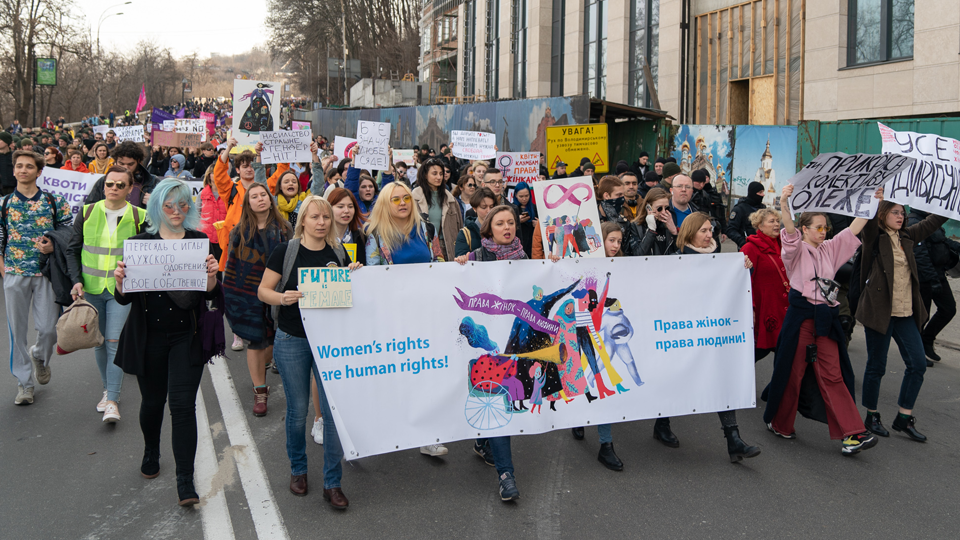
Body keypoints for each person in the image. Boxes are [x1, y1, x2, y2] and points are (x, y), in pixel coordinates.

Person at [112, 178, 221, 506]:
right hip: (148, 337)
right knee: (152, 403)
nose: (176, 211)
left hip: (186, 337)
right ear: (157, 206)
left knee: (183, 407)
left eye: (183, 204)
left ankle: (185, 480)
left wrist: (213, 275)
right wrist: (120, 282)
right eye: (169, 205)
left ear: (190, 207)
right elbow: (122, 300)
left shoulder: (200, 241)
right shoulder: (138, 243)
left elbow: (211, 294)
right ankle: (151, 450)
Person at [258, 195, 362, 509]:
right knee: (298, 410)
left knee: (331, 414)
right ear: (303, 219)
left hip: (330, 343)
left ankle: (332, 482)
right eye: (315, 217)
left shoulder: (339, 251)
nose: (321, 223)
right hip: (292, 339)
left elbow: (348, 296)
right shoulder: (285, 251)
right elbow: (264, 290)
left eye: (326, 218)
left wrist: (354, 276)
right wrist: (282, 298)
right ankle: (298, 470)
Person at [763, 184, 880, 456]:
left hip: (826, 318)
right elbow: (789, 230)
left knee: (834, 374)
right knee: (794, 373)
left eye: (825, 227)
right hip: (801, 316)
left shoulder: (830, 248)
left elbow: (854, 228)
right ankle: (780, 423)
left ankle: (853, 433)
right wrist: (784, 202)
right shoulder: (795, 249)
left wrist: (871, 201)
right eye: (817, 227)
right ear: (805, 229)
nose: (823, 231)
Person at [364, 182, 447, 456]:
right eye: (395, 199)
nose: (402, 203)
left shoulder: (426, 229)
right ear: (386, 204)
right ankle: (391, 429)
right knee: (398, 374)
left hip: (426, 312)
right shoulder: (375, 235)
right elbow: (372, 274)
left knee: (427, 372)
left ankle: (428, 435)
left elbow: (438, 261)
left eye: (406, 199)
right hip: (393, 316)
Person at [454, 205, 530, 500]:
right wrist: (459, 264)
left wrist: (551, 266)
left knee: (500, 402)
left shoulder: (525, 260)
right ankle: (505, 473)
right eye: (500, 223)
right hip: (485, 346)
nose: (507, 227)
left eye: (511, 222)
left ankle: (495, 458)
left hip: (511, 346)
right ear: (488, 229)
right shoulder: (475, 258)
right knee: (495, 404)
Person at [858, 196, 948, 442]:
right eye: (895, 212)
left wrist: (953, 199)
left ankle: (904, 417)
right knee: (877, 366)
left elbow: (935, 220)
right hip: (879, 311)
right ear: (883, 213)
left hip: (906, 313)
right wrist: (874, 201)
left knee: (918, 364)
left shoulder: (908, 236)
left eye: (903, 213)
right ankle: (871, 415)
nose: (901, 216)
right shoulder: (875, 238)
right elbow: (866, 225)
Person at [674, 212, 761, 462]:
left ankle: (733, 439)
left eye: (710, 229)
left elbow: (734, 289)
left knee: (720, 380)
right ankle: (662, 423)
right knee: (675, 379)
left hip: (712, 332)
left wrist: (745, 271)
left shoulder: (721, 259)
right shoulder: (675, 259)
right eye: (702, 230)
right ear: (690, 232)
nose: (708, 234)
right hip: (682, 332)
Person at [65, 166, 145, 422]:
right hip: (91, 289)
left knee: (114, 343)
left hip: (121, 291)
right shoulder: (87, 211)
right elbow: (73, 249)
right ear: (104, 185)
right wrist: (76, 281)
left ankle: (112, 399)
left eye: (121, 185)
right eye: (110, 184)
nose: (114, 188)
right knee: (98, 342)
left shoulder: (140, 216)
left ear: (130, 188)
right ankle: (106, 389)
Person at [1, 150, 72, 405]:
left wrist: (54, 246)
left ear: (39, 172)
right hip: (14, 274)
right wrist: (4, 270)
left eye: (29, 166)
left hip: (47, 274)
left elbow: (69, 233)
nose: (23, 170)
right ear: (13, 170)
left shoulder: (55, 202)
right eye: (19, 166)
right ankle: (24, 384)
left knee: (48, 330)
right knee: (17, 332)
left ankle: (40, 356)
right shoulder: (4, 203)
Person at [223, 183, 292, 417]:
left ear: (270, 199)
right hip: (248, 295)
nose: (260, 199)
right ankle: (260, 390)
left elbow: (292, 261)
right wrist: (233, 294)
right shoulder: (239, 232)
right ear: (248, 203)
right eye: (254, 196)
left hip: (277, 293)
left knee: (272, 343)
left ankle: (261, 367)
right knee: (256, 341)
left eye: (263, 194)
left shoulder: (285, 229)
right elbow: (232, 265)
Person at [908, 208, 960, 363]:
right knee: (921, 316)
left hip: (938, 275)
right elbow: (920, 255)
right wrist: (932, 279)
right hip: (924, 279)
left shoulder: (930, 219)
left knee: (948, 309)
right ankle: (916, 354)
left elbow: (941, 240)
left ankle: (927, 340)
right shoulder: (914, 222)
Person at [740, 207, 788, 362]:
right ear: (759, 225)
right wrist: (750, 307)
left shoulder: (784, 245)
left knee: (785, 354)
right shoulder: (750, 248)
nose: (776, 224)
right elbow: (744, 281)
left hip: (783, 306)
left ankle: (781, 386)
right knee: (757, 351)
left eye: (778, 221)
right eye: (771, 221)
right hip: (764, 307)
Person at [412, 158, 463, 262]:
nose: (439, 177)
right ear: (425, 175)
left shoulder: (450, 199)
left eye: (441, 173)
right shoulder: (414, 198)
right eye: (434, 173)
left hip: (446, 247)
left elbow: (459, 226)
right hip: (422, 247)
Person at [85, 141, 160, 209]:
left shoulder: (152, 182)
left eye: (130, 164)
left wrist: (156, 202)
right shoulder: (103, 181)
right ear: (115, 161)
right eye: (121, 164)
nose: (126, 168)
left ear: (139, 162)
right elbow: (89, 208)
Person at [626, 188, 677, 256]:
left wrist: (674, 233)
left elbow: (680, 254)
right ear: (648, 207)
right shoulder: (636, 226)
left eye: (667, 208)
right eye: (659, 208)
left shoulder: (668, 225)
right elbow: (638, 254)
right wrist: (651, 230)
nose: (664, 212)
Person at [327, 187, 368, 265]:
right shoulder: (321, 237)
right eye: (340, 206)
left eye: (350, 206)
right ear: (329, 208)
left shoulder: (363, 237)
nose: (346, 211)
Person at [197, 166, 227, 264]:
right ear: (209, 175)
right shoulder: (201, 194)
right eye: (215, 172)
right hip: (206, 239)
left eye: (221, 172)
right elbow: (196, 215)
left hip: (224, 239)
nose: (218, 175)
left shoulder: (229, 194)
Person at [455, 187, 497, 257]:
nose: (489, 211)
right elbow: (461, 260)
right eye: (484, 207)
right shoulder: (465, 234)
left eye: (492, 207)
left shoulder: (501, 229)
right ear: (474, 208)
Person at [726, 181, 766, 249]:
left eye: (763, 192)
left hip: (763, 247)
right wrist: (743, 242)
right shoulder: (740, 209)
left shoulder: (763, 208)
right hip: (747, 248)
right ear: (753, 193)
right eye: (760, 192)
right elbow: (731, 230)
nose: (763, 194)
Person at [691, 169, 727, 239]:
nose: (701, 185)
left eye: (704, 181)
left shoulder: (709, 194)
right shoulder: (689, 193)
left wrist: (723, 230)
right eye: (699, 182)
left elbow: (720, 212)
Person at [512, 181, 536, 258]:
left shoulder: (535, 208)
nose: (524, 199)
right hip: (517, 248)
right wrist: (516, 221)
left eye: (527, 195)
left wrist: (538, 225)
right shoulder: (511, 209)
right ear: (516, 195)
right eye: (521, 196)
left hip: (532, 246)